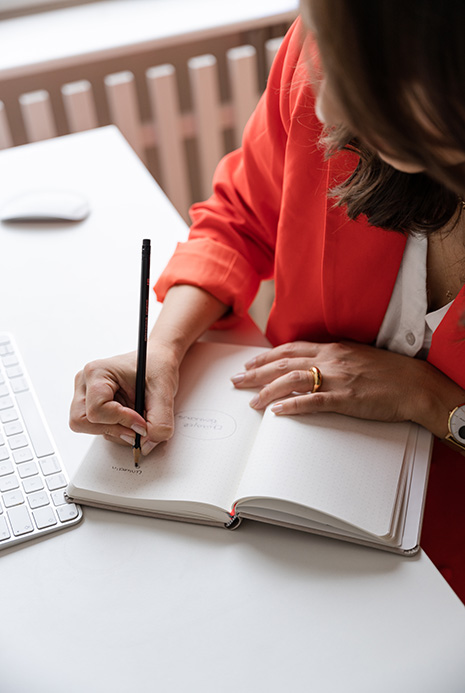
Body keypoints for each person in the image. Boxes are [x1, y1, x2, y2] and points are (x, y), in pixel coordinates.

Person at [70, 1, 465, 601]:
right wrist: (164, 348)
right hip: (303, 511)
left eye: (373, 80)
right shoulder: (332, 38)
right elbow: (240, 220)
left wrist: (430, 399)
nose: (326, 109)